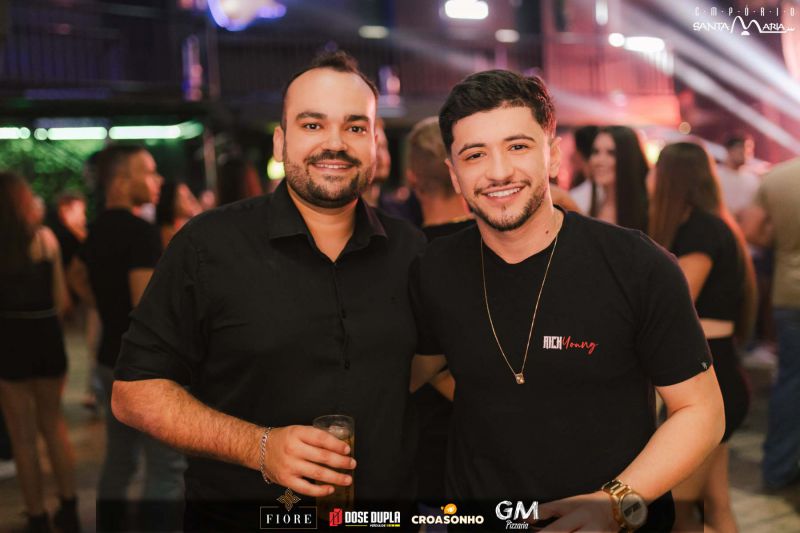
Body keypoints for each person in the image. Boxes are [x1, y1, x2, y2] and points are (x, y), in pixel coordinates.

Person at [110, 51, 426, 531]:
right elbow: (134, 392)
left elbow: (439, 366)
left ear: (375, 144)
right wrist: (259, 447)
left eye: (355, 127)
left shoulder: (411, 250)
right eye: (313, 125)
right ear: (281, 141)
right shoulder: (208, 245)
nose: (335, 143)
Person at [410, 70, 724, 532]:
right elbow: (417, 369)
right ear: (455, 175)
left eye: (517, 147)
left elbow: (701, 412)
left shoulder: (636, 264)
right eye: (475, 155)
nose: (498, 171)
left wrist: (614, 504)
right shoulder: (434, 268)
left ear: (553, 155)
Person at [68, 145, 185, 531]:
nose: (158, 180)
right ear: (120, 181)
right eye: (148, 172)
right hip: (144, 368)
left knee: (120, 459)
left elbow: (76, 275)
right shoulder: (141, 233)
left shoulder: (97, 229)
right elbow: (145, 308)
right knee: (166, 466)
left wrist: (104, 306)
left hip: (108, 359)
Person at [649, 142, 756, 532]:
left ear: (671, 178)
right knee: (715, 505)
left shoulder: (700, 230)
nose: (649, 178)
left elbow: (679, 302)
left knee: (680, 512)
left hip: (712, 379)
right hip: (720, 373)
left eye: (655, 170)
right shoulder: (712, 225)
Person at [0, 172, 79, 533]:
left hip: (9, 340)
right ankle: (69, 506)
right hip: (46, 336)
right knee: (53, 425)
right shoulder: (46, 239)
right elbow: (62, 301)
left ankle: (36, 515)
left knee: (22, 436)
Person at [741, 156, 800, 490]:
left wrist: (784, 247)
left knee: (791, 382)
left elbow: (750, 230)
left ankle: (778, 468)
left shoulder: (778, 177)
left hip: (790, 292)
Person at [585, 125, 649, 231]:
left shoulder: (647, 212)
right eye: (596, 152)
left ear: (628, 158)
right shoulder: (592, 206)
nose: (599, 161)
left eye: (611, 153)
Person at [155, 181, 201, 248]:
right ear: (171, 200)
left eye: (190, 195)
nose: (193, 200)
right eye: (187, 197)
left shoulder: (190, 229)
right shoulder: (169, 234)